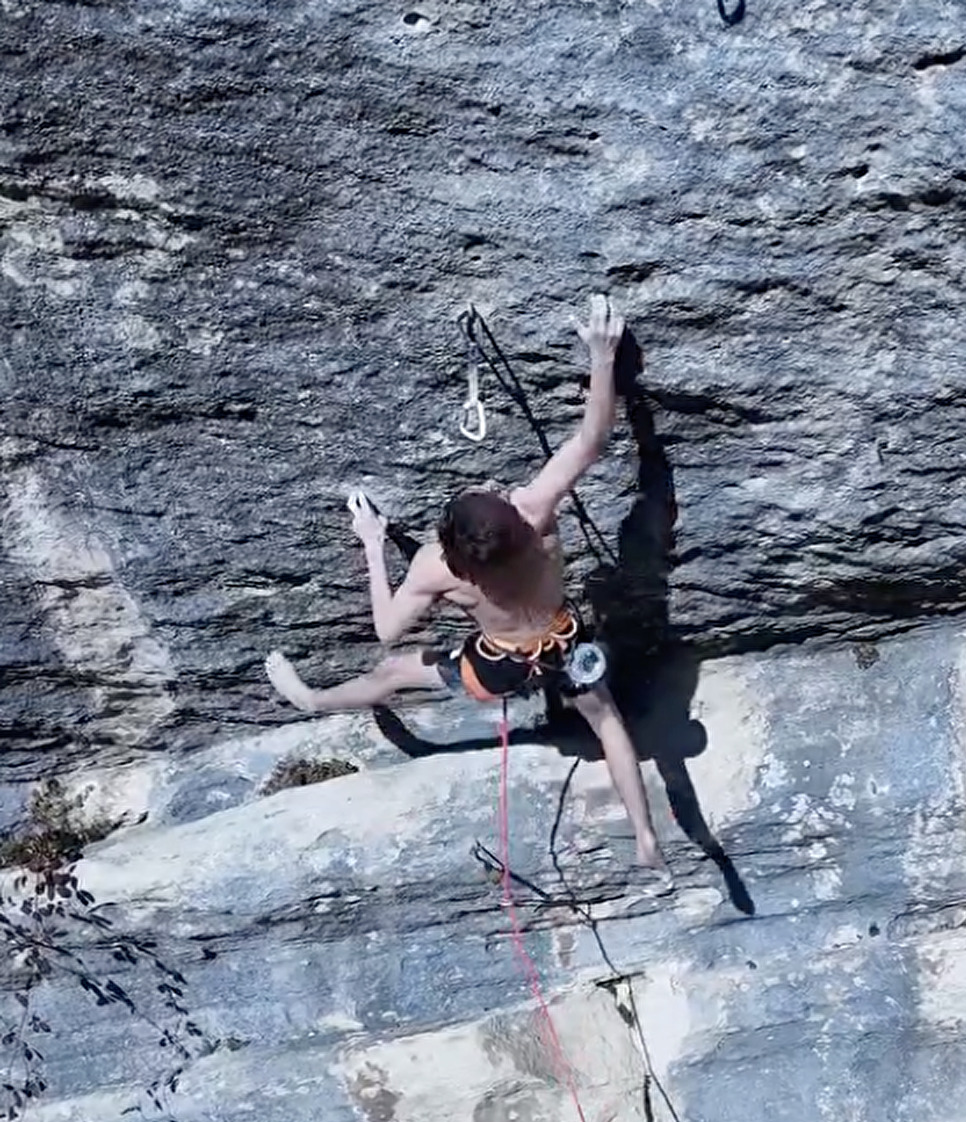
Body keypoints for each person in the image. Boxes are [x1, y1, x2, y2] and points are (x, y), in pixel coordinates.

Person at [265, 295, 666, 870]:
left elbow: (387, 629)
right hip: (566, 645)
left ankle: (311, 699)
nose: (500, 489)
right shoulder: (535, 513)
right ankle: (647, 836)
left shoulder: (437, 567)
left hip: (496, 668)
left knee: (393, 673)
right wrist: (603, 358)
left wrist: (375, 546)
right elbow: (592, 440)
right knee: (607, 722)